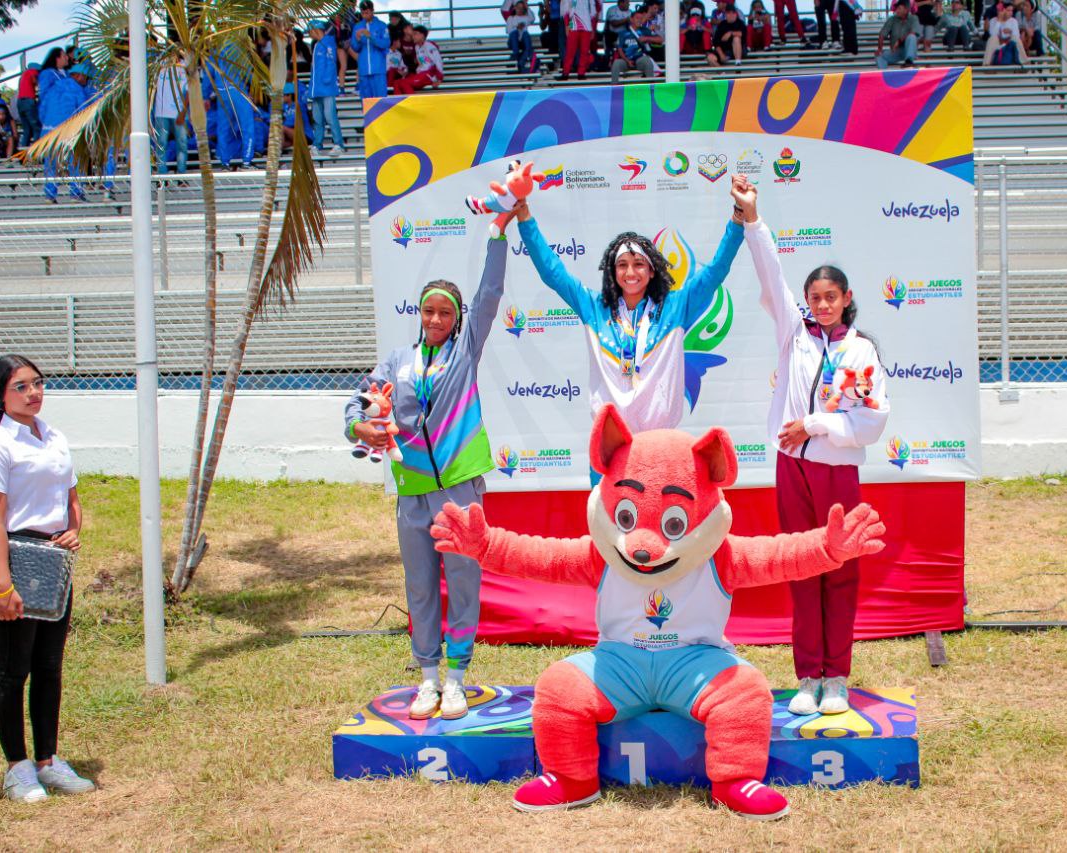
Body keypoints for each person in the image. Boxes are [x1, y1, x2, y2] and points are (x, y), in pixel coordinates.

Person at [342, 225, 512, 722]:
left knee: (462, 581)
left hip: (458, 489)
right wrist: (358, 427)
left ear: (457, 320)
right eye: (429, 311)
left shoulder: (465, 351)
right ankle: (428, 678)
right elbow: (359, 402)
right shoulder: (399, 362)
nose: (436, 319)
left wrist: (498, 234)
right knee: (419, 586)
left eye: (445, 313)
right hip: (412, 493)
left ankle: (456, 678)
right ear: (419, 314)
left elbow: (490, 293)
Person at [734, 177, 889, 718]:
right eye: (814, 298)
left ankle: (837, 678)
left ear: (847, 299)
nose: (822, 305)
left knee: (839, 571)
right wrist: (753, 219)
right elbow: (770, 272)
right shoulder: (793, 334)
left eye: (831, 297)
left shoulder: (861, 351)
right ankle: (808, 676)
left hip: (837, 473)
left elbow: (871, 423)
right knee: (801, 569)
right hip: (792, 471)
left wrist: (813, 425)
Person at [513, 177, 748, 459]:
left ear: (652, 271)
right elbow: (552, 272)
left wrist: (738, 216)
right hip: (610, 442)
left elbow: (716, 271)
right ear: (613, 272)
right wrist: (524, 216)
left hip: (660, 442)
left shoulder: (676, 306)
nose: (630, 272)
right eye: (622, 265)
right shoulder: (594, 307)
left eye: (639, 264)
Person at [0, 355, 96, 803]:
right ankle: (17, 768)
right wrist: (3, 585)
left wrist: (74, 529)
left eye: (37, 383)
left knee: (49, 665)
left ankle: (47, 760)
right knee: (11, 669)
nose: (33, 392)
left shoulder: (53, 436)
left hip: (53, 561)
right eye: (21, 386)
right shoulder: (2, 441)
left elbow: (71, 497)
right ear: (2, 394)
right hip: (15, 556)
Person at [41, 63, 91, 203]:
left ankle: (50, 195)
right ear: (79, 76)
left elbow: (42, 109)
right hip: (69, 131)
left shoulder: (53, 88)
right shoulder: (77, 89)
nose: (87, 81)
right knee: (75, 162)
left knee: (51, 164)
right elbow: (84, 111)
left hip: (49, 131)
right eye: (86, 77)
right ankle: (76, 193)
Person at [307, 20, 346, 157]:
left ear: (316, 30)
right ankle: (317, 145)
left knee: (330, 117)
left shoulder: (327, 43)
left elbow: (331, 63)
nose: (309, 34)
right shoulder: (317, 44)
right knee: (317, 119)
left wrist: (327, 80)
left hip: (326, 88)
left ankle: (338, 144)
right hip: (317, 88)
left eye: (310, 31)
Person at [152, 59, 189, 175]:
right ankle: (162, 176)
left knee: (182, 145)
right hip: (161, 113)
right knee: (161, 145)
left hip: (179, 113)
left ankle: (181, 175)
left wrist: (183, 112)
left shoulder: (184, 66)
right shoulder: (158, 64)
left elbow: (189, 91)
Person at [350, 0, 390, 99]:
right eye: (363, 13)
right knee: (366, 101)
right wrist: (358, 40)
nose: (365, 15)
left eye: (367, 12)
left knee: (381, 100)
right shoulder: (357, 26)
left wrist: (371, 37)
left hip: (378, 69)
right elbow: (355, 47)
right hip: (363, 70)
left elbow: (385, 43)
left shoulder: (381, 25)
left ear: (372, 11)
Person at [610, 7, 659, 83]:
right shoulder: (623, 33)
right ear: (631, 19)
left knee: (647, 61)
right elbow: (620, 49)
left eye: (641, 18)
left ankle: (651, 86)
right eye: (637, 18)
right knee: (616, 63)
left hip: (640, 59)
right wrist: (627, 60)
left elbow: (660, 39)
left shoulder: (645, 31)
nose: (639, 20)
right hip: (625, 60)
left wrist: (646, 38)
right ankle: (614, 86)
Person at [393, 26, 445, 93]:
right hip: (420, 74)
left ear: (422, 35)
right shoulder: (417, 47)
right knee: (397, 82)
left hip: (429, 75)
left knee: (404, 83)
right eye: (413, 34)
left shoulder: (429, 46)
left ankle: (413, 100)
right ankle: (399, 100)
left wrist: (439, 79)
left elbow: (438, 62)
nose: (413, 36)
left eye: (415, 34)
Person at [561, 0, 602, 80]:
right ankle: (565, 73)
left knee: (584, 51)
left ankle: (581, 73)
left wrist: (593, 28)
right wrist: (566, 25)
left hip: (587, 25)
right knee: (570, 51)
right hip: (573, 24)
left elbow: (595, 10)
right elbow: (565, 9)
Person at [876, 0, 920, 68]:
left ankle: (909, 62)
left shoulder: (914, 18)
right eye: (896, 8)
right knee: (879, 55)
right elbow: (882, 34)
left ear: (906, 10)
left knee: (912, 37)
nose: (897, 10)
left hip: (908, 49)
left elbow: (913, 33)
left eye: (899, 8)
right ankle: (884, 73)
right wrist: (880, 49)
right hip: (895, 51)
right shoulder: (892, 19)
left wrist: (899, 41)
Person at [36, 48, 68, 135]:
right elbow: (44, 95)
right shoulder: (47, 73)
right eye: (64, 55)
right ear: (57, 58)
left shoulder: (67, 73)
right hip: (54, 113)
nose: (67, 57)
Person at [281, 81, 313, 152]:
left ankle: (279, 154)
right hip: (293, 135)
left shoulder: (299, 106)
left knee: (282, 128)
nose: (282, 97)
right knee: (279, 143)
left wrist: (283, 122)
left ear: (289, 95)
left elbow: (293, 121)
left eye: (283, 95)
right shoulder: (285, 107)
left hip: (305, 135)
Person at [507, 0, 538, 73]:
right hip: (513, 41)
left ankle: (522, 58)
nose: (520, 10)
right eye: (518, 8)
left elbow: (532, 18)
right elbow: (508, 30)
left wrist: (527, 7)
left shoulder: (526, 17)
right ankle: (517, 55)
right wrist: (517, 27)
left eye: (522, 8)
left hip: (523, 41)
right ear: (515, 8)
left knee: (525, 33)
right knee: (514, 33)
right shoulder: (511, 18)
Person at [15, 62, 41, 149]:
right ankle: (36, 150)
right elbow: (35, 80)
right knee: (37, 128)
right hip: (28, 101)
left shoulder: (23, 75)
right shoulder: (32, 71)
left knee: (27, 129)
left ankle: (23, 152)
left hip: (20, 102)